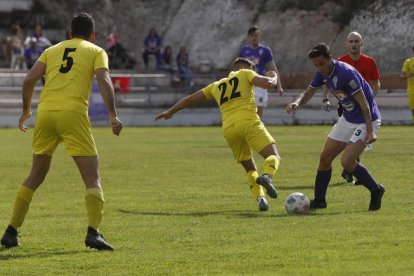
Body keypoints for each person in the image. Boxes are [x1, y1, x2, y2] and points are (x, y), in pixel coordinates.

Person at [0, 12, 123, 250]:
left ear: (69, 34)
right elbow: (104, 80)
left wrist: (26, 111)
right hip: (73, 114)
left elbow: (28, 80)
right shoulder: (96, 51)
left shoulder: (51, 50)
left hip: (45, 113)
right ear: (92, 34)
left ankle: (11, 231)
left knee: (35, 174)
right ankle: (93, 232)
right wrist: (112, 115)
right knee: (91, 177)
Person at [155, 57, 281, 212]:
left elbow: (189, 100)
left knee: (249, 168)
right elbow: (269, 84)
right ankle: (267, 177)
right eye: (252, 69)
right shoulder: (245, 73)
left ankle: (261, 198)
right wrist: (273, 75)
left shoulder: (216, 85)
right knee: (273, 156)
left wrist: (170, 112)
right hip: (248, 121)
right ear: (243, 68)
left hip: (229, 129)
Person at [286, 43, 385, 211]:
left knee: (347, 162)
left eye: (322, 64)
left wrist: (369, 131)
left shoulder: (346, 74)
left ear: (330, 59)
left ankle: (376, 190)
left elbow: (365, 105)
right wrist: (296, 102)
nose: (319, 68)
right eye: (315, 65)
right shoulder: (322, 73)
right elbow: (309, 92)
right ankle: (319, 200)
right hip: (347, 119)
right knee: (325, 157)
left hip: (366, 120)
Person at [322, 31, 381, 185]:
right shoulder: (340, 62)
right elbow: (327, 82)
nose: (354, 44)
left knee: (355, 141)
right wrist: (325, 98)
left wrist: (370, 98)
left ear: (361, 43)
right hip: (346, 107)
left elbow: (376, 82)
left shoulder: (369, 61)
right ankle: (350, 168)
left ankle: (350, 168)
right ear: (347, 44)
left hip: (363, 108)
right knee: (348, 139)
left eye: (356, 41)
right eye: (351, 41)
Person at [239, 26, 284, 120]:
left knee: (259, 113)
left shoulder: (265, 51)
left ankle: (259, 131)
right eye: (252, 35)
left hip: (260, 84)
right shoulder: (243, 50)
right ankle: (248, 132)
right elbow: (238, 68)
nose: (254, 37)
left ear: (259, 36)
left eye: (256, 35)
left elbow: (273, 67)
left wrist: (279, 86)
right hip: (247, 84)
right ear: (249, 37)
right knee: (247, 111)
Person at [401, 46, 414, 123]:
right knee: (413, 107)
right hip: (411, 88)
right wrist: (409, 75)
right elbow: (402, 75)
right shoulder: (408, 62)